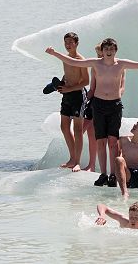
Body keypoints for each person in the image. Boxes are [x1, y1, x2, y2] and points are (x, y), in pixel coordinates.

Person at [45, 38, 138, 187]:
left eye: (111, 49)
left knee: (112, 142)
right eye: (106, 49)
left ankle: (112, 174)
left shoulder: (121, 64)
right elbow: (74, 62)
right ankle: (103, 174)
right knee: (100, 141)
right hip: (99, 105)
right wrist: (54, 53)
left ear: (115, 51)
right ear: (102, 51)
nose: (109, 52)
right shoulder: (96, 63)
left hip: (114, 106)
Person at [81, 43, 126, 172]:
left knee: (110, 138)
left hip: (112, 101)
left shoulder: (119, 66)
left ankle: (110, 169)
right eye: (98, 53)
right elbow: (92, 87)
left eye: (99, 53)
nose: (99, 55)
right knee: (91, 133)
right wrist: (85, 100)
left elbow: (122, 87)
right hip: (96, 101)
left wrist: (116, 96)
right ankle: (91, 164)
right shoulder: (96, 65)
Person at [56, 32, 89, 172]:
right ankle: (72, 158)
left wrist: (69, 89)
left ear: (76, 43)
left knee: (77, 129)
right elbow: (68, 74)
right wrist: (62, 84)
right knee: (64, 127)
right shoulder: (66, 58)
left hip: (78, 95)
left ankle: (77, 162)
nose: (68, 45)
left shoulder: (81, 60)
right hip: (67, 95)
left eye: (71, 42)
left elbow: (86, 81)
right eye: (66, 42)